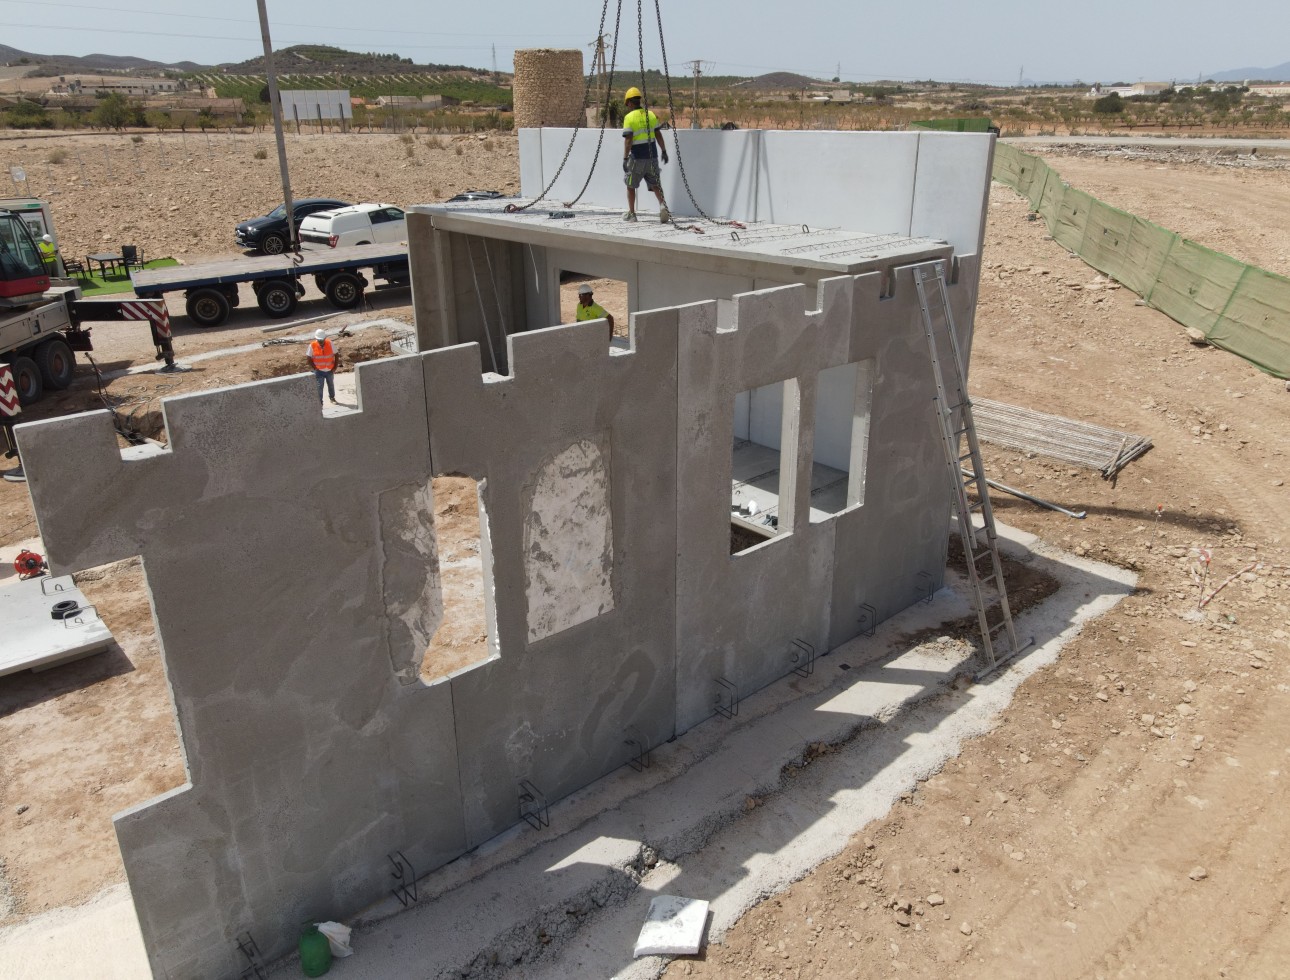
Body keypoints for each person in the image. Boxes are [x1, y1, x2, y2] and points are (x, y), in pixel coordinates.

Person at [621, 86, 670, 223]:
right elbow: (658, 135)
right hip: (652, 156)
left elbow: (629, 140)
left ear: (630, 102)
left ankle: (632, 214)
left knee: (630, 185)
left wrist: (625, 158)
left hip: (637, 158)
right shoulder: (651, 115)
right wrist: (664, 151)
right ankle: (662, 206)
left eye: (627, 104)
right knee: (655, 184)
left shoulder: (629, 118)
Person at [307, 328, 338, 404]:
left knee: (331, 385)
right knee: (319, 387)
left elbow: (336, 355)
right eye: (319, 340)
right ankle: (320, 402)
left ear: (325, 338)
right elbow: (308, 357)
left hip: (329, 370)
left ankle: (332, 398)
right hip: (319, 371)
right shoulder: (312, 345)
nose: (321, 342)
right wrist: (315, 368)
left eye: (322, 340)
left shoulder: (330, 343)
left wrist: (335, 367)